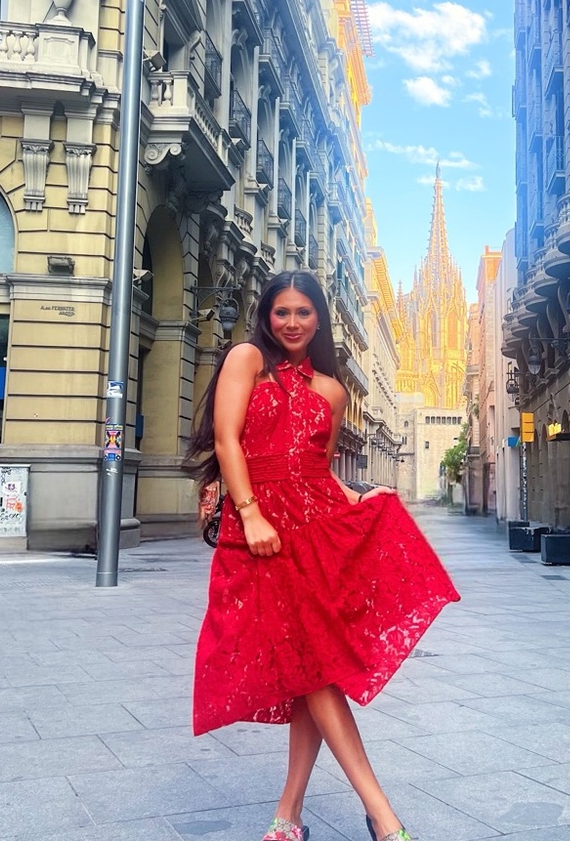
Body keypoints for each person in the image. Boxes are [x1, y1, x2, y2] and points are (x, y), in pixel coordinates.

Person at [187, 271, 459, 841]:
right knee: (311, 669)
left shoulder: (333, 391)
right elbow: (226, 440)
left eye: (303, 313)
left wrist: (362, 496)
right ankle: (375, 816)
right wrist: (250, 510)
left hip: (311, 533)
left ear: (319, 320)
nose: (291, 322)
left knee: (313, 669)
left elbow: (320, 472)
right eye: (282, 312)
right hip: (258, 535)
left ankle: (300, 816)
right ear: (267, 315)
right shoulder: (244, 359)